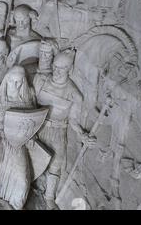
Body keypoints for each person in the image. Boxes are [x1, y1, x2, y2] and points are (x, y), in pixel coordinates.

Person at [33, 51, 95, 210]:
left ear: (69, 69)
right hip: (38, 126)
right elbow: (31, 103)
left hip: (58, 132)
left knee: (56, 163)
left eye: (61, 68)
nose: (56, 71)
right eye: (54, 66)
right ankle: (31, 185)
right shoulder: (41, 81)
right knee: (33, 158)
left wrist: (82, 134)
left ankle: (49, 197)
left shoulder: (75, 94)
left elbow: (74, 120)